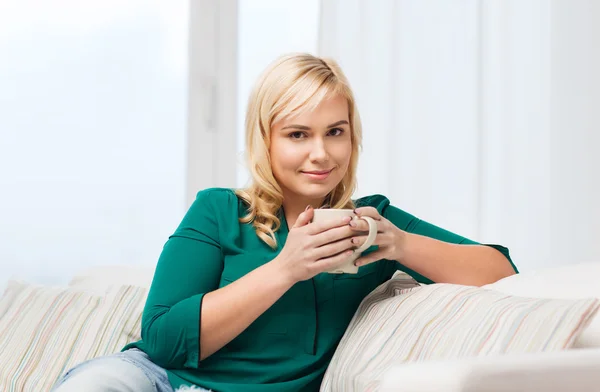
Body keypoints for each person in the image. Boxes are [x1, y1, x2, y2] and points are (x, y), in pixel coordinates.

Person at [52, 53, 518, 392]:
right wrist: (286, 268)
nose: (321, 153)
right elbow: (162, 341)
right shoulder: (218, 211)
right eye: (298, 134)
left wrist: (399, 245)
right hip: (152, 379)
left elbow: (502, 272)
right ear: (266, 141)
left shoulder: (372, 222)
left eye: (335, 132)